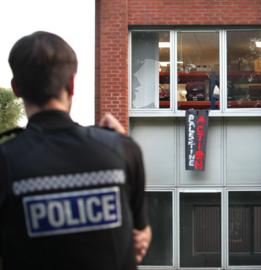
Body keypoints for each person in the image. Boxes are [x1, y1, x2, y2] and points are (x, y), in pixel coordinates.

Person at [0, 31, 151, 270]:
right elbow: (139, 239)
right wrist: (120, 145)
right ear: (71, 83)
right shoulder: (122, 149)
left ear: (16, 88)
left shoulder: (5, 161)